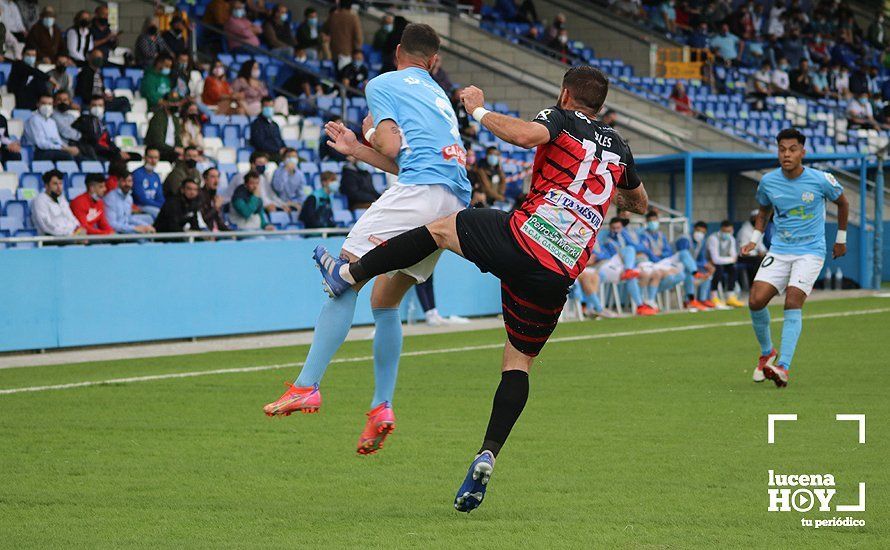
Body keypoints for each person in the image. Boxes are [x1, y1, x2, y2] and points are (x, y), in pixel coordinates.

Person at [314, 65, 648, 512]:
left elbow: (529, 136)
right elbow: (638, 203)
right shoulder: (620, 148)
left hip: (526, 237)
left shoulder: (561, 118)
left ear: (566, 94)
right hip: (561, 270)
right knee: (519, 360)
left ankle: (349, 274)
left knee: (440, 228)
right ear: (601, 105)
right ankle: (487, 453)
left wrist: (479, 110)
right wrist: (608, 194)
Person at [262, 25, 473, 465]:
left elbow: (392, 144)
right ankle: (381, 405)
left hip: (419, 192)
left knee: (343, 277)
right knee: (385, 297)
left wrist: (374, 130)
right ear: (433, 61)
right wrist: (359, 149)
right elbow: (405, 154)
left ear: (397, 52)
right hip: (452, 201)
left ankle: (306, 386)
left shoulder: (383, 83)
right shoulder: (440, 97)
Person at [741, 128, 848, 388]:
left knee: (792, 300)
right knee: (755, 301)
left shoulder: (821, 179)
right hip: (780, 249)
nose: (786, 154)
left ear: (803, 152)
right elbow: (765, 209)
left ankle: (783, 367)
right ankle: (767, 352)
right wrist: (755, 239)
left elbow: (843, 203)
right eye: (782, 150)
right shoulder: (768, 181)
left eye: (792, 149)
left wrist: (841, 239)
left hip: (810, 251)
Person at [73, 95, 134, 163]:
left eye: (100, 105)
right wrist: (115, 153)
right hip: (96, 152)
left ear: (104, 107)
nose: (97, 108)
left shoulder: (101, 122)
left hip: (107, 150)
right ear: (90, 107)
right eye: (94, 105)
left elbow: (108, 140)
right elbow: (92, 142)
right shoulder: (84, 120)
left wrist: (119, 151)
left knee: (136, 156)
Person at [23, 93, 81, 161]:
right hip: (38, 152)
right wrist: (62, 148)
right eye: (44, 103)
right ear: (38, 104)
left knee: (79, 156)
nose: (47, 106)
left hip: (54, 150)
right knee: (67, 156)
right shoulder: (34, 120)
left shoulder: (51, 122)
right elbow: (41, 144)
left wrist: (68, 148)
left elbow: (58, 140)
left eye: (49, 104)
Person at [31, 169, 84, 236]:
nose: (59, 187)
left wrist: (78, 228)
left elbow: (71, 217)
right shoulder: (40, 200)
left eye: (61, 183)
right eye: (55, 184)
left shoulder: (61, 199)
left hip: (70, 236)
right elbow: (46, 227)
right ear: (46, 186)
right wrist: (70, 234)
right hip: (51, 238)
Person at [706, 220, 743, 308]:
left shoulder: (731, 239)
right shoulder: (713, 238)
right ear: (721, 229)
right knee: (718, 269)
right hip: (709, 263)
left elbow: (734, 256)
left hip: (723, 263)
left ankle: (730, 296)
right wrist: (730, 259)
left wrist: (729, 260)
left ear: (732, 230)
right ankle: (714, 296)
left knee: (734, 268)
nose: (727, 233)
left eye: (729, 231)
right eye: (725, 231)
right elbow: (715, 259)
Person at [145, 92, 184, 162]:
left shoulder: (175, 119)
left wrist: (182, 149)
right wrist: (174, 149)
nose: (175, 105)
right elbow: (158, 142)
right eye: (172, 102)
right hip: (160, 151)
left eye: (177, 102)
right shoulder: (158, 118)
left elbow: (177, 138)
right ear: (164, 103)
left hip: (173, 151)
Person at [324, 0, 362, 70]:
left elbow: (325, 30)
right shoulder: (353, 17)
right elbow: (358, 36)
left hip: (332, 50)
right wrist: (357, 50)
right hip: (346, 53)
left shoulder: (333, 15)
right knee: (344, 75)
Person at [248, 96, 286, 161]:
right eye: (266, 107)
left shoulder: (275, 124)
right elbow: (260, 143)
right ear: (262, 108)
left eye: (271, 106)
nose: (269, 109)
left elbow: (280, 140)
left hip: (278, 153)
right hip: (266, 154)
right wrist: (278, 149)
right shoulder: (257, 124)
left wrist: (285, 149)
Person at [736, 208, 766, 287]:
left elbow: (760, 244)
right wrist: (757, 253)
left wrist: (763, 252)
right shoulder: (745, 230)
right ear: (752, 218)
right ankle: (754, 285)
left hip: (754, 255)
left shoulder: (758, 229)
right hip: (743, 256)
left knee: (768, 259)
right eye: (756, 218)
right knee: (758, 261)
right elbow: (744, 248)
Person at [132, 147, 164, 218]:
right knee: (161, 214)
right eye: (150, 157)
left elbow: (160, 196)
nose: (153, 161)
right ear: (145, 157)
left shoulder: (156, 176)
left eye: (156, 158)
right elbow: (141, 199)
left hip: (154, 206)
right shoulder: (137, 174)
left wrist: (163, 206)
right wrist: (160, 206)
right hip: (140, 206)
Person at [199, 167, 229, 231]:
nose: (216, 180)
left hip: (217, 232)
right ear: (205, 179)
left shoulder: (215, 196)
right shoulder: (199, 195)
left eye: (218, 177)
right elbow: (203, 220)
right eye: (212, 177)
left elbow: (219, 221)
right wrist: (215, 207)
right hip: (205, 233)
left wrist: (231, 233)